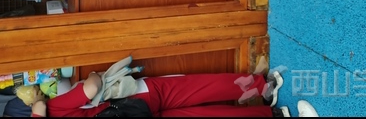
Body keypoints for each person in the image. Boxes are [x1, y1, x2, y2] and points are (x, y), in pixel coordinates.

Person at [27, 70, 317, 117]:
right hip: (139, 97)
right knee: (202, 88)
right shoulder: (52, 109)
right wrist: (95, 75)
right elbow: (91, 87)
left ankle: (273, 114)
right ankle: (263, 87)